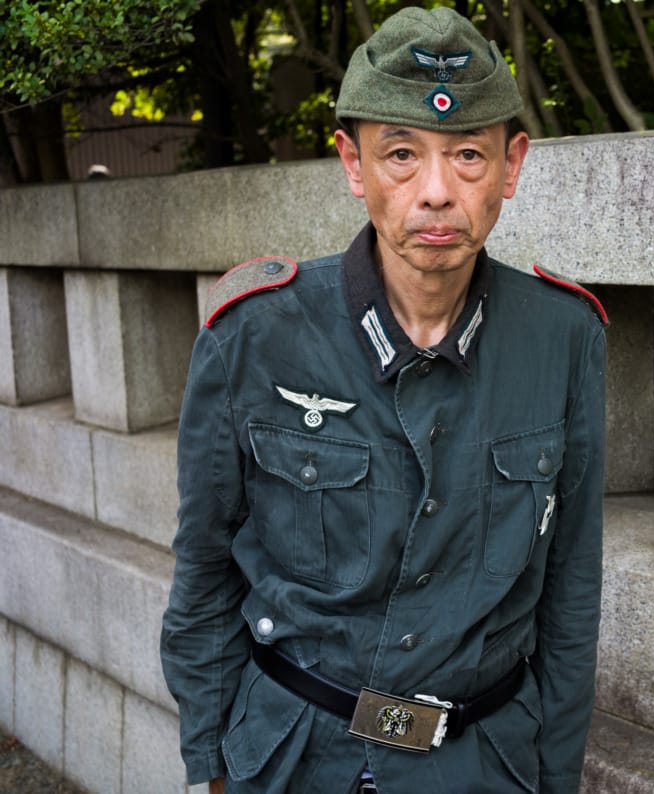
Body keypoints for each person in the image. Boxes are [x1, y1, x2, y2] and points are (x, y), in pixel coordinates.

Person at [160, 7, 607, 793]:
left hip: (484, 762)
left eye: (468, 154)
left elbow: (571, 590)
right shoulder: (255, 336)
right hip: (298, 756)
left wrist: (556, 776)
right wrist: (214, 765)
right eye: (402, 154)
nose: (436, 192)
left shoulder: (564, 338)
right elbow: (204, 569)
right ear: (354, 164)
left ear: (511, 165)